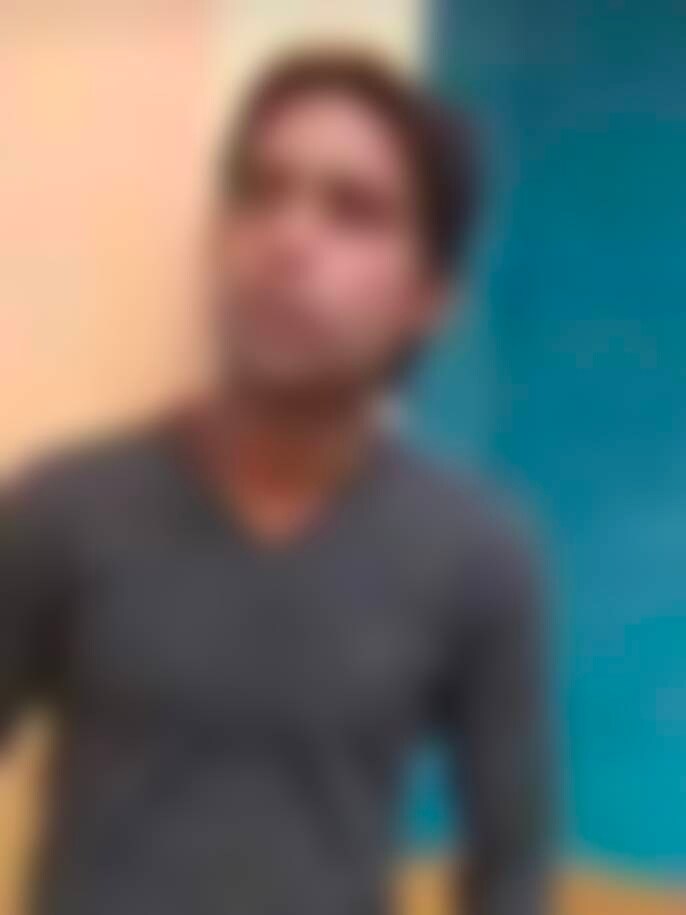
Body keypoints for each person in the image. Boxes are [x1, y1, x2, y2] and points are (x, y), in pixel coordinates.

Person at [1, 50, 550, 915]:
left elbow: (511, 869)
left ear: (429, 298)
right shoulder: (63, 511)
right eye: (259, 193)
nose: (289, 240)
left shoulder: (477, 555)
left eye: (353, 211)